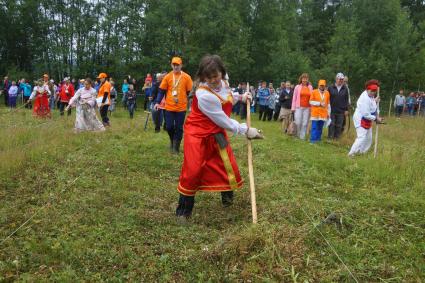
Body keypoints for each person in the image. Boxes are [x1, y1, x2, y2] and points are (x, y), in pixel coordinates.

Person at [175, 54, 263, 220]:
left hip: (215, 131)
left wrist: (241, 97)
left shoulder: (223, 83)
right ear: (203, 77)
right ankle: (183, 212)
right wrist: (245, 130)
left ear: (222, 73)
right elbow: (223, 120)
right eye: (208, 78)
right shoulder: (203, 95)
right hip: (198, 134)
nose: (213, 80)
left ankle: (227, 202)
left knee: (226, 165)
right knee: (193, 171)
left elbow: (227, 97)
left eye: (216, 76)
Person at [154, 57, 193, 154]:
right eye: (174, 65)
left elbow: (190, 93)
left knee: (179, 127)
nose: (175, 66)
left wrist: (192, 105)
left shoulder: (186, 77)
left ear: (181, 65)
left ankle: (176, 147)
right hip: (169, 107)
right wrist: (157, 102)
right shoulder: (167, 77)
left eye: (177, 65)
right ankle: (172, 140)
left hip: (181, 107)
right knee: (169, 127)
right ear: (171, 65)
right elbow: (161, 91)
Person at [348, 80, 383, 157]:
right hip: (360, 118)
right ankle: (351, 154)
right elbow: (366, 114)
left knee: (368, 138)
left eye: (375, 90)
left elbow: (372, 107)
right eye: (372, 90)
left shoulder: (371, 96)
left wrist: (375, 101)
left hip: (367, 119)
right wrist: (376, 119)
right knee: (361, 137)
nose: (373, 92)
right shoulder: (365, 98)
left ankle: (361, 153)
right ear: (367, 89)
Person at [328, 73, 350, 140]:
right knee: (332, 124)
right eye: (340, 79)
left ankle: (336, 138)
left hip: (341, 110)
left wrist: (346, 110)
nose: (341, 81)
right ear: (336, 79)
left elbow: (346, 100)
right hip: (332, 109)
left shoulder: (345, 88)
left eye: (342, 79)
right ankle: (330, 137)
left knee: (339, 125)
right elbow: (327, 98)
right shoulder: (330, 87)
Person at [291, 73, 313, 140]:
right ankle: (297, 135)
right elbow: (294, 97)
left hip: (307, 107)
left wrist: (312, 108)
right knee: (298, 122)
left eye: (306, 78)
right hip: (298, 107)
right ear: (301, 79)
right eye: (303, 78)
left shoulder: (310, 87)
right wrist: (293, 107)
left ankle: (302, 137)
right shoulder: (297, 87)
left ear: (307, 79)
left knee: (305, 122)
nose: (304, 80)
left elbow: (312, 97)